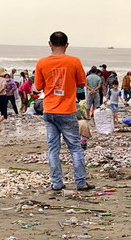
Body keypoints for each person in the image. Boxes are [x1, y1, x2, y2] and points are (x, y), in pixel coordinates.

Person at [33, 32, 91, 192]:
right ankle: (80, 182)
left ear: (50, 44)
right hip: (67, 110)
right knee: (75, 147)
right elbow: (82, 83)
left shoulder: (42, 62)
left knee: (53, 148)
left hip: (49, 109)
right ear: (66, 45)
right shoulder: (74, 61)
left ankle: (56, 182)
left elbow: (38, 86)